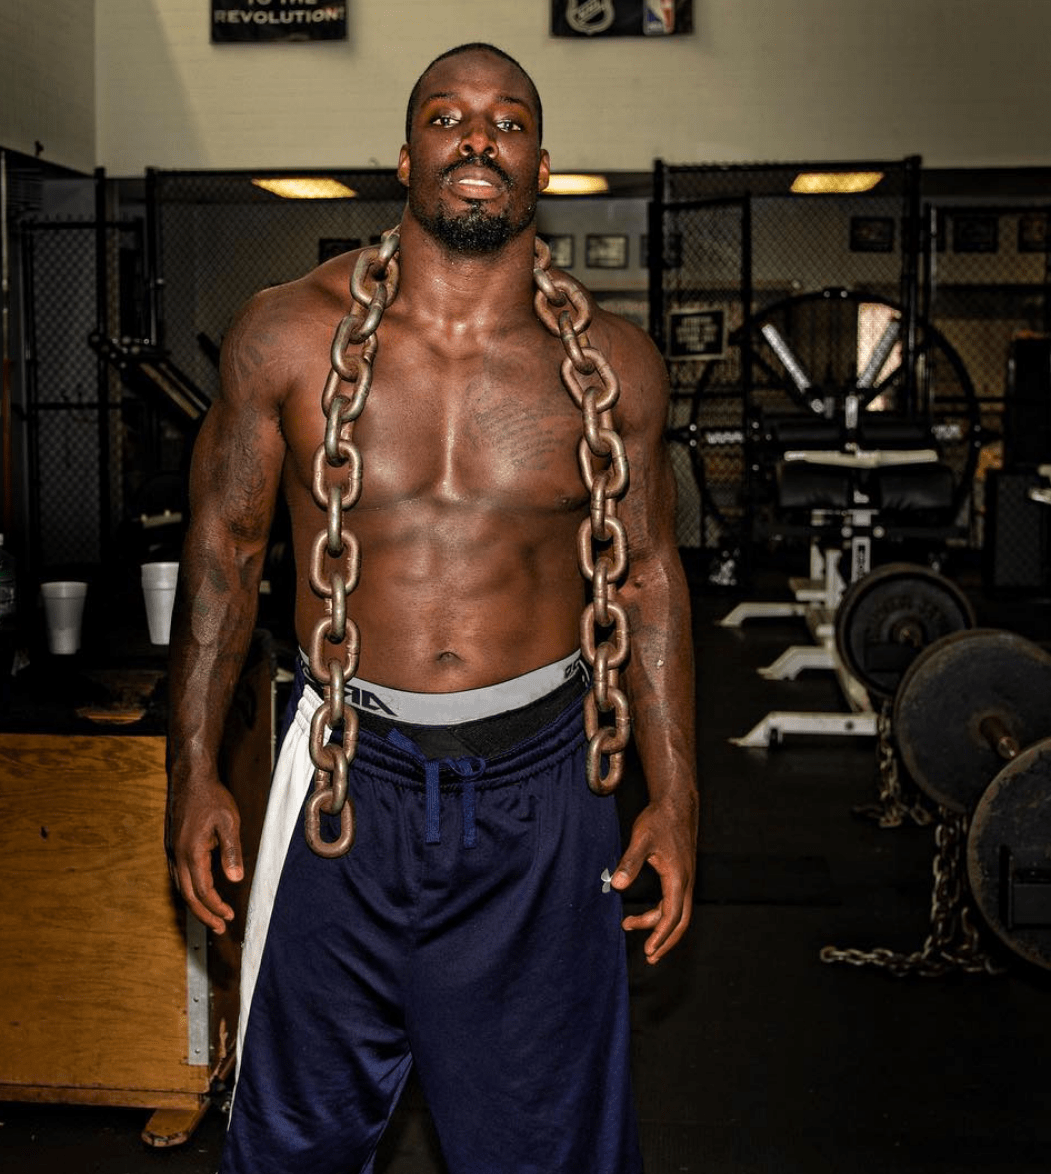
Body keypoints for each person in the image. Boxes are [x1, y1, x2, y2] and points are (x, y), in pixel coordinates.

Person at [165, 41, 697, 1174]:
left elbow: (645, 577)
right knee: (294, 1140)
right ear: (404, 155)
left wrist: (675, 795)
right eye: (448, 117)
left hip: (545, 792)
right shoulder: (287, 334)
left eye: (506, 121)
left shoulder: (614, 365)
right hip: (344, 785)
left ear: (539, 166)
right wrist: (194, 770)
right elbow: (224, 550)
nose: (477, 137)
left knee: (546, 1146)